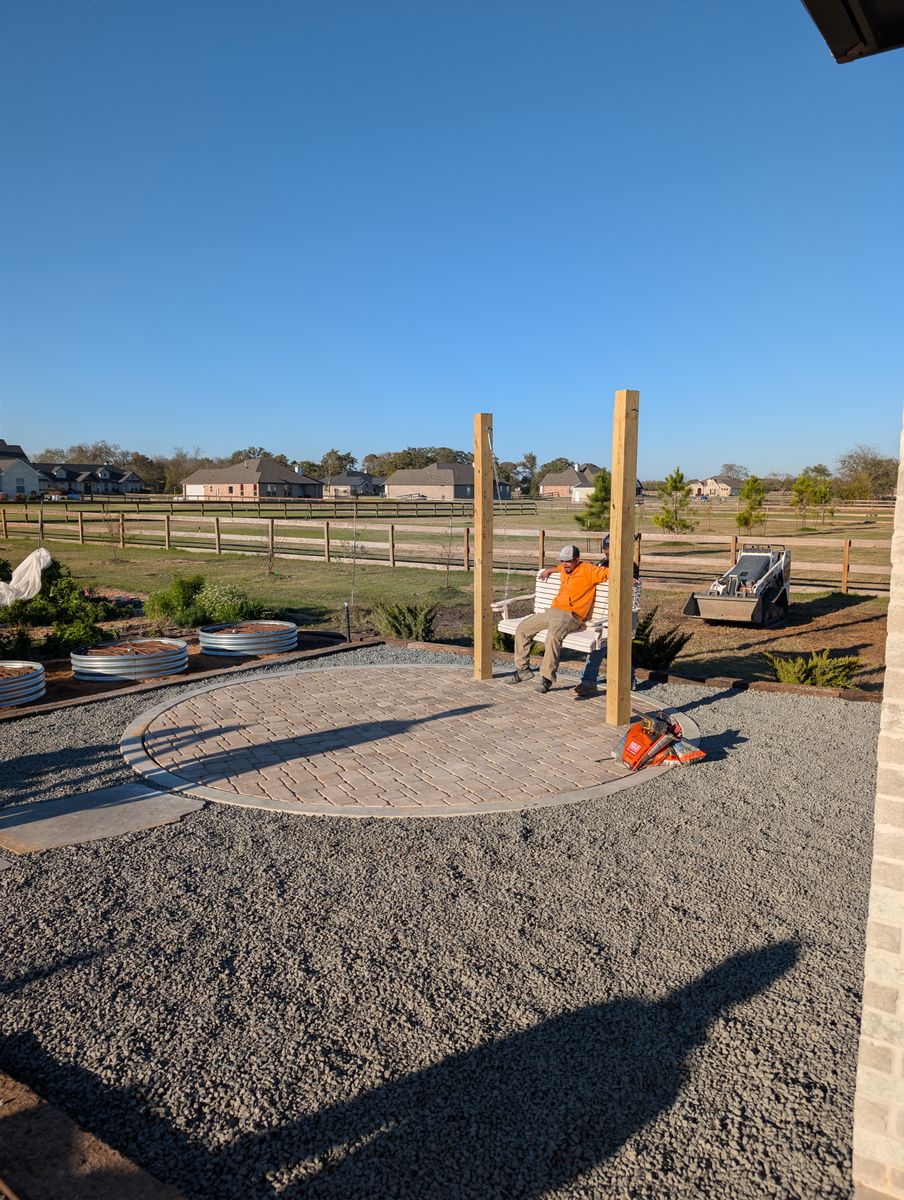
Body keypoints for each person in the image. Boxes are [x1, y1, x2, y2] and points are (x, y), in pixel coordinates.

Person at [506, 544, 609, 693]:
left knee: (553, 637)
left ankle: (546, 679)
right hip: (553, 611)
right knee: (522, 629)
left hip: (571, 616)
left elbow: (611, 572)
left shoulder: (589, 570)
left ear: (577, 559)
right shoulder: (565, 568)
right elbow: (559, 568)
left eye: (568, 561)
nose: (564, 564)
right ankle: (522, 670)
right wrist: (549, 570)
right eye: (562, 561)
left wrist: (628, 577)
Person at [573, 534, 641, 698]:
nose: (608, 551)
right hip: (603, 614)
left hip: (622, 615)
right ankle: (590, 680)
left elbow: (627, 584)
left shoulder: (629, 566)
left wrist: (624, 578)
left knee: (614, 647)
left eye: (612, 547)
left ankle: (593, 680)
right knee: (605, 647)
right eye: (606, 547)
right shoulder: (601, 564)